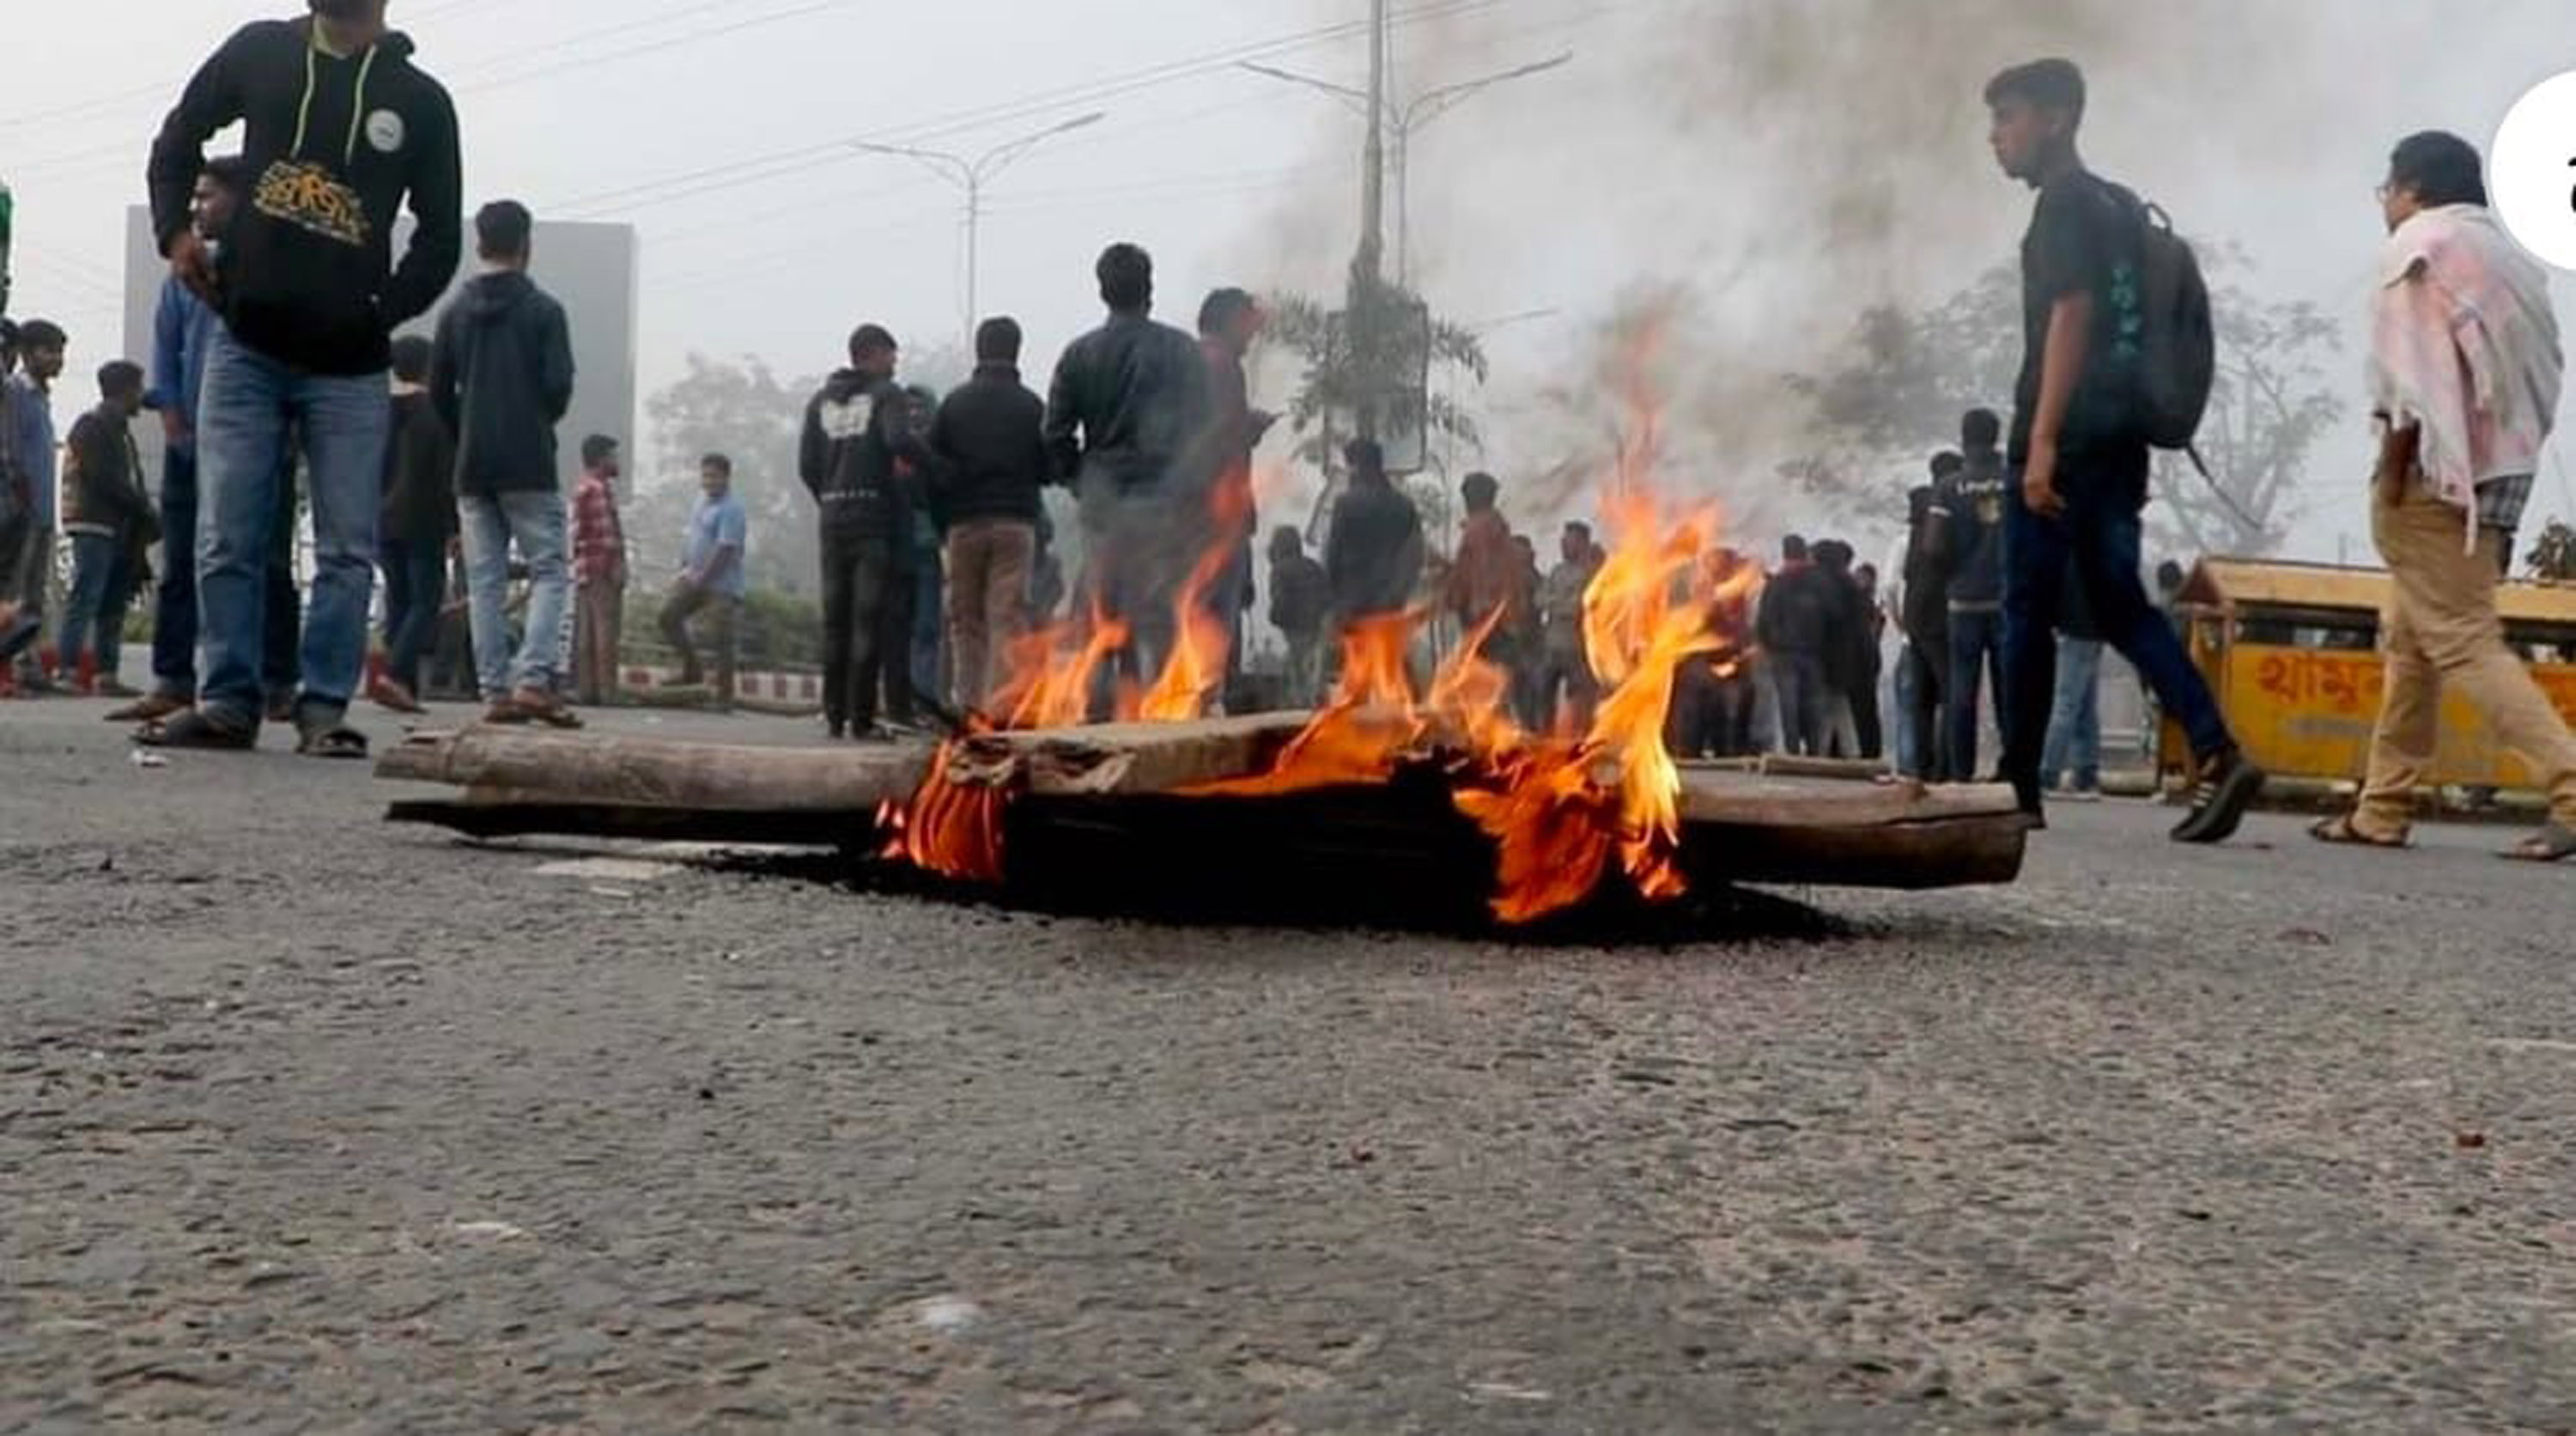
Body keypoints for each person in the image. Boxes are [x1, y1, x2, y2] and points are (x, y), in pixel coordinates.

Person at [143, 0, 464, 755]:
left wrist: (379, 312)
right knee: (227, 535)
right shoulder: (261, 52)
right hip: (244, 346)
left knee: (348, 547)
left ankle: (324, 709)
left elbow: (443, 237)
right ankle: (227, 701)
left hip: (348, 368)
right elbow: (178, 139)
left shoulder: (421, 102)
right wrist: (176, 234)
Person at [1985, 58, 2262, 839]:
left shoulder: (2065, 205)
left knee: (2025, 611)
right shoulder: (2119, 206)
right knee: (2122, 606)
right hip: (2119, 442)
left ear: (2057, 118)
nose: (1996, 139)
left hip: (2065, 441)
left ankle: (2018, 784)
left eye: (2008, 119)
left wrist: (2040, 443)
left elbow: (2071, 314)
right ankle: (2216, 748)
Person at [2311, 131, 2575, 862]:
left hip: (2433, 474)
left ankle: (2573, 789)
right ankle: (2382, 805)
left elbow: (2411, 386)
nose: (2385, 208)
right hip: (2498, 474)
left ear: (2412, 189)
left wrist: (2392, 478)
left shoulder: (2423, 247)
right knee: (2412, 639)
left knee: (2460, 639)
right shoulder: (2509, 260)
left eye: (2386, 192)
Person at [431, 200, 578, 727]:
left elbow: (438, 391)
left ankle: (494, 690)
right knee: (549, 570)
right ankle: (533, 680)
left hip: (472, 464)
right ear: (526, 245)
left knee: (485, 579)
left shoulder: (454, 312)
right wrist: (535, 420)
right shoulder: (544, 311)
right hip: (528, 460)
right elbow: (558, 387)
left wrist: (462, 431)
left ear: (479, 244)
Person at [1044, 242, 1212, 701]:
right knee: (1161, 608)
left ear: (1102, 291)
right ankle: (1164, 709)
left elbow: (1055, 436)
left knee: (1104, 606)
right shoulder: (1180, 350)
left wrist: (1081, 481)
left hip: (1104, 501)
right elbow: (1205, 428)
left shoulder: (1078, 355)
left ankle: (1098, 709)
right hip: (1165, 500)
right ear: (1149, 288)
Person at [802, 325, 933, 739]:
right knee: (867, 619)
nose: (895, 366)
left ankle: (834, 715)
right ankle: (862, 719)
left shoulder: (818, 401)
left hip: (832, 522)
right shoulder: (885, 394)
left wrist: (830, 498)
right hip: (872, 523)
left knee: (834, 621)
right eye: (891, 356)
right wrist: (941, 466)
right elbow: (898, 440)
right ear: (872, 354)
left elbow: (806, 465)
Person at [930, 317, 1048, 711]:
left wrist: (941, 520)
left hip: (963, 524)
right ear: (1017, 351)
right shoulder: (1031, 405)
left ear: (979, 350)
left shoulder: (955, 403)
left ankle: (968, 707)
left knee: (965, 621)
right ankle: (1001, 710)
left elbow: (934, 465)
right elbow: (1048, 466)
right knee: (1007, 617)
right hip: (1015, 524)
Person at [364, 335, 452, 714]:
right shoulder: (435, 414)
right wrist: (454, 526)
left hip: (381, 519)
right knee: (426, 601)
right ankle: (397, 674)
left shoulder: (378, 411)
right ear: (428, 367)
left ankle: (405, 688)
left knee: (399, 599)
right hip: (423, 519)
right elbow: (442, 473)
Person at [57, 361, 155, 696]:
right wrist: (143, 508)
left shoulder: (121, 432)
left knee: (113, 603)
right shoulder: (91, 426)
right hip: (94, 523)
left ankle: (105, 675)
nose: (141, 397)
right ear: (125, 390)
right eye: (138, 389)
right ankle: (68, 670)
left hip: (119, 527)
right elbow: (106, 479)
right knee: (87, 596)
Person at [1195, 287, 1273, 686]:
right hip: (1222, 514)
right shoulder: (1222, 364)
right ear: (1227, 322)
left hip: (1190, 512)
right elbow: (1224, 436)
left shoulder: (1188, 361)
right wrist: (1252, 427)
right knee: (1219, 619)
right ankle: (1208, 701)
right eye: (1247, 325)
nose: (1252, 336)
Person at [1943, 409, 2008, 780]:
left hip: (1963, 603)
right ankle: (2012, 768)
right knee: (2008, 693)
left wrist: (1956, 572)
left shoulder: (1950, 487)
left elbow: (1935, 547)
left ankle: (1960, 773)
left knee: (1963, 692)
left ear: (1964, 439)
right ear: (1996, 437)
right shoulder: (2013, 481)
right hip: (2006, 602)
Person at [2, 319, 65, 693]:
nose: (57, 359)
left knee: (34, 592)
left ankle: (28, 666)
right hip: (18, 507)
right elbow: (12, 450)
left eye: (60, 352)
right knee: (14, 592)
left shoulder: (41, 397)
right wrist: (19, 495)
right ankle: (9, 666)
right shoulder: (16, 393)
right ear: (26, 354)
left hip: (41, 510)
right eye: (49, 350)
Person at [660, 454, 745, 709]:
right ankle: (692, 669)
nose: (708, 482)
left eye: (714, 476)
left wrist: (702, 577)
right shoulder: (701, 500)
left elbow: (725, 549)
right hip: (693, 576)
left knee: (721, 638)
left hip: (721, 585)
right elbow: (693, 536)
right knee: (668, 616)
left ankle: (724, 697)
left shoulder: (732, 508)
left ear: (726, 477)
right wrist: (684, 568)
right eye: (705, 475)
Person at [1898, 453, 1959, 779]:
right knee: (1952, 694)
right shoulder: (1950, 508)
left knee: (1921, 699)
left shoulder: (1918, 514)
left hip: (1915, 614)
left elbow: (1905, 572)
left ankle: (1919, 766)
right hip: (1942, 612)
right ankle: (1946, 768)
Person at [1323, 438, 1423, 630]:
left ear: (1358, 466)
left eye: (1350, 467)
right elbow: (1415, 554)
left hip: (1354, 599)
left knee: (1353, 655)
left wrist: (1333, 596)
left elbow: (1333, 555)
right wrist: (1399, 592)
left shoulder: (1345, 504)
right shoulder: (1403, 505)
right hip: (1391, 600)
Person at [1756, 535, 1832, 756]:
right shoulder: (1819, 583)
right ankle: (1814, 752)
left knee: (1788, 708)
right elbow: (1829, 617)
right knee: (1812, 706)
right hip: (1812, 654)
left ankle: (1791, 752)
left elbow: (1764, 621)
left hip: (1783, 655)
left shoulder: (1776, 584)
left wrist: (1770, 647)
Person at [2038, 553, 2105, 800]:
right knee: (2086, 707)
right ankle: (2086, 776)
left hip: (2074, 627)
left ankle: (2048, 774)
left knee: (2065, 704)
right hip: (2096, 629)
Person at [569, 434, 627, 709]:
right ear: (601, 458)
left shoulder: (582, 487)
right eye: (613, 456)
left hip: (583, 566)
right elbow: (607, 535)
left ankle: (587, 689)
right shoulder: (598, 489)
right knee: (606, 629)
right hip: (600, 566)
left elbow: (575, 532)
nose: (617, 461)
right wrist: (617, 564)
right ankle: (607, 691)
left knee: (586, 630)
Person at [1530, 520, 1602, 732]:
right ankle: (1544, 738)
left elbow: (1578, 606)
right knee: (1543, 694)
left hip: (1576, 648)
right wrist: (1559, 602)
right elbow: (1538, 599)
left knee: (1580, 699)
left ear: (1582, 543)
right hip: (1552, 646)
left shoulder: (1590, 574)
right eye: (1563, 541)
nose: (1563, 545)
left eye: (1568, 541)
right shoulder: (1557, 571)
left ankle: (1581, 742)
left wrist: (1556, 603)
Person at [1267, 524, 1329, 708]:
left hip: (1296, 629)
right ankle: (1320, 710)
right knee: (1314, 672)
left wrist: (1274, 617)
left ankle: (1300, 715)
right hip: (1318, 628)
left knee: (1297, 675)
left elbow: (1280, 602)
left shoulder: (1279, 570)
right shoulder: (1314, 567)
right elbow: (1328, 598)